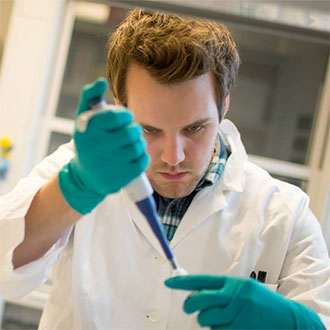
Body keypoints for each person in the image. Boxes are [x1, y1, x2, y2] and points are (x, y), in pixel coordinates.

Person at [0, 9, 329, 329]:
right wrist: (76, 188)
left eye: (195, 128)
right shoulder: (83, 169)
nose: (173, 156)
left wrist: (295, 325)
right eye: (150, 130)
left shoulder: (286, 214)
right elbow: (5, 271)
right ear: (120, 107)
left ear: (224, 103)